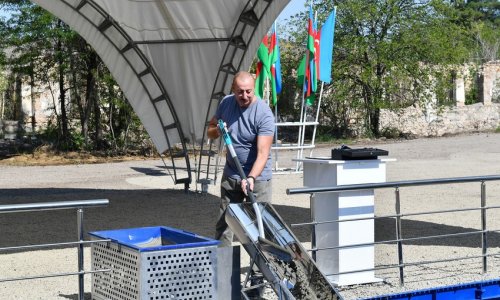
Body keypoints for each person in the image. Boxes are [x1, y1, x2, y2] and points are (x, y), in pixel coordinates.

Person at [207, 71, 275, 248]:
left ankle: (261, 271)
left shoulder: (264, 114)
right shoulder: (226, 103)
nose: (244, 96)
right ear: (233, 89)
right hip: (232, 175)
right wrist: (219, 131)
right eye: (240, 91)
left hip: (258, 179)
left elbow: (263, 153)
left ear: (254, 89)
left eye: (248, 91)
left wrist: (251, 177)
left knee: (260, 227)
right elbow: (210, 130)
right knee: (224, 225)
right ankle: (223, 269)